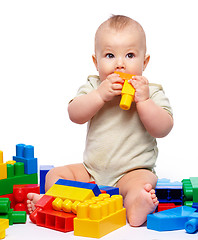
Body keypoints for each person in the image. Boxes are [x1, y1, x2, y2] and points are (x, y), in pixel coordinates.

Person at [27, 15, 173, 227]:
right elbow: (75, 114)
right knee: (54, 175)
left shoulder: (150, 92)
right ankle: (61, 200)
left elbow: (164, 128)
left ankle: (135, 206)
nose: (120, 64)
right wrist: (99, 96)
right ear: (96, 62)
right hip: (91, 171)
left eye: (130, 55)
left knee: (144, 184)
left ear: (145, 62)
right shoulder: (94, 86)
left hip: (131, 172)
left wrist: (144, 102)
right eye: (110, 55)